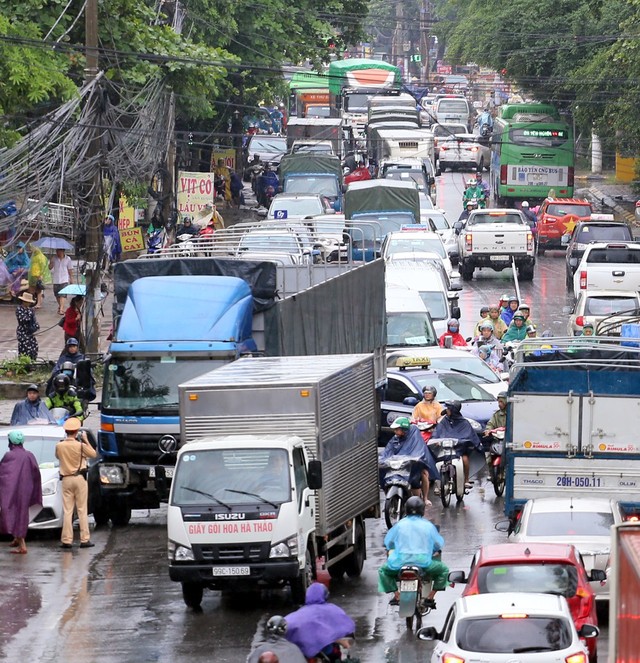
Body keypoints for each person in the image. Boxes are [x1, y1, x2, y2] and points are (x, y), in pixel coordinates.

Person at [378, 496, 449, 606]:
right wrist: (434, 550)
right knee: (444, 570)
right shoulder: (428, 525)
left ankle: (397, 595)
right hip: (423, 563)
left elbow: (389, 542)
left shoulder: (400, 524)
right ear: (422, 510)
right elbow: (437, 544)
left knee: (383, 570)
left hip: (400, 562)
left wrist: (393, 548)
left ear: (406, 509)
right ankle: (430, 597)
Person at [55, 418, 97, 549]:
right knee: (81, 509)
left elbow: (57, 457)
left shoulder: (59, 445)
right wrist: (85, 440)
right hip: (79, 478)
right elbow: (93, 454)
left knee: (67, 510)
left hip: (66, 479)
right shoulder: (80, 446)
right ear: (76, 431)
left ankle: (66, 540)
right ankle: (84, 539)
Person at [285, 583, 355, 660]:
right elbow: (341, 629)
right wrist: (342, 642)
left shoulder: (296, 615)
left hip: (301, 655)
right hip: (325, 652)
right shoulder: (333, 610)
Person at [0, 430, 42, 554]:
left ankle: (22, 545)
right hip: (25, 489)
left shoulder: (9, 456)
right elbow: (36, 473)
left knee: (11, 512)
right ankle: (17, 538)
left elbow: (3, 473)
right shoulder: (29, 455)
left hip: (11, 490)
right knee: (22, 512)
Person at [379, 417, 438, 506]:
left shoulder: (414, 436)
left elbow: (419, 450)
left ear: (403, 430)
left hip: (413, 463)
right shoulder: (395, 439)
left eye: (397, 429)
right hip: (399, 464)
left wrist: (415, 458)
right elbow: (388, 451)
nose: (395, 431)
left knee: (424, 473)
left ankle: (425, 498)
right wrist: (383, 459)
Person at [432, 400, 483, 488]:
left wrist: (462, 442)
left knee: (465, 459)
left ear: (453, 410)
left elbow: (469, 435)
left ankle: (466, 480)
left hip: (460, 449)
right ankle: (438, 482)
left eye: (448, 408)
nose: (446, 410)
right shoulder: (444, 420)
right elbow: (437, 431)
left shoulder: (464, 422)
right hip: (445, 448)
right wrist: (435, 440)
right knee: (435, 459)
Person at [49, 248, 74, 315]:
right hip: (56, 279)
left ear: (63, 251)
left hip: (64, 279)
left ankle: (61, 309)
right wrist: (51, 262)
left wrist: (71, 278)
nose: (57, 253)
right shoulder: (54, 258)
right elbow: (50, 268)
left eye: (59, 251)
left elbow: (70, 269)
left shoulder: (68, 259)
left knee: (63, 295)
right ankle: (60, 306)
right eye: (56, 251)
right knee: (57, 295)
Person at [16, 291, 39, 360]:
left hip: (30, 332)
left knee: (34, 346)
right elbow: (23, 319)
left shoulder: (31, 310)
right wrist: (30, 318)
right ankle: (23, 362)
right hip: (22, 331)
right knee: (24, 347)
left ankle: (32, 361)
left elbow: (34, 320)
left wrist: (35, 326)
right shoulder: (19, 309)